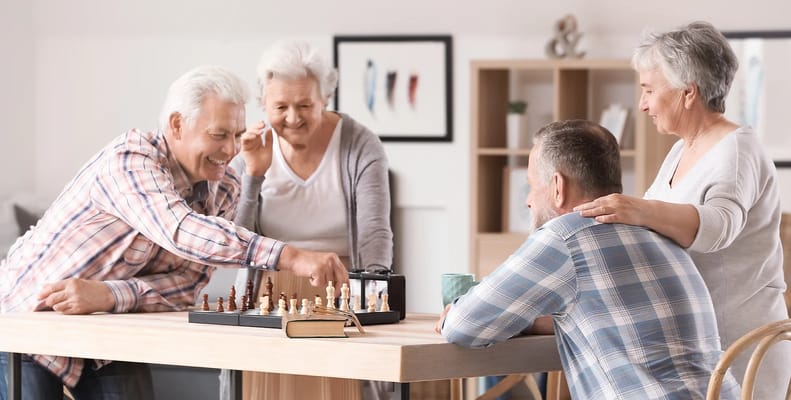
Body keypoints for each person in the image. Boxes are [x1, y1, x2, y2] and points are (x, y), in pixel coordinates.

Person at [0, 65, 348, 399]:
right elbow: (180, 230)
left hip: (105, 330)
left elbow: (187, 285)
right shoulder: (130, 159)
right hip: (27, 325)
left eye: (237, 135)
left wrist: (108, 295)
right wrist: (290, 256)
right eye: (218, 135)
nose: (230, 151)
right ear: (177, 125)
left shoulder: (224, 188)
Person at [437, 119, 740, 399]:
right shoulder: (658, 230)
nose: (529, 200)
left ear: (558, 187)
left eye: (532, 184)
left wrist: (454, 312)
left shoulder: (565, 236)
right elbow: (609, 316)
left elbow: (463, 326)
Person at [574, 21, 791, 397]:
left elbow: (719, 226)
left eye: (648, 89)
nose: (641, 104)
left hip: (738, 349)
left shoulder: (737, 151)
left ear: (688, 92)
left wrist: (639, 209)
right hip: (693, 342)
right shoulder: (682, 149)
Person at [229, 41, 393, 400]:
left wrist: (374, 292)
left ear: (326, 98)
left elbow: (374, 230)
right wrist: (253, 174)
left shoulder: (360, 144)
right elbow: (236, 241)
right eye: (280, 106)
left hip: (339, 290)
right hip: (271, 297)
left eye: (305, 105)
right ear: (263, 104)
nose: (293, 117)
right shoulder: (250, 150)